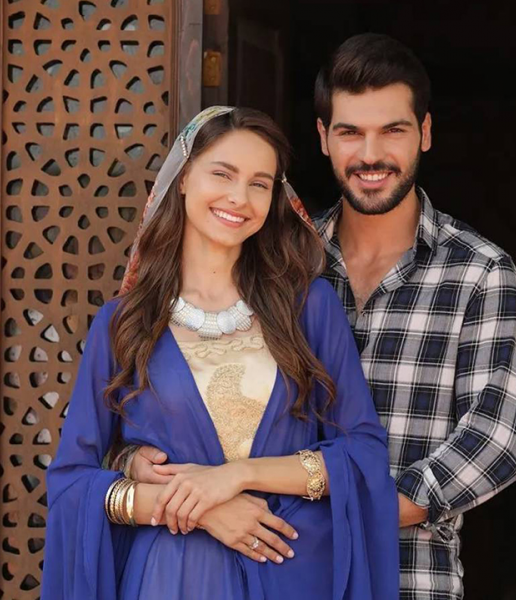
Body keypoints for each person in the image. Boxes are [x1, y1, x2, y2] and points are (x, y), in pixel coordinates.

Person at [124, 35, 516, 600]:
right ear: (323, 137)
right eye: (350, 132)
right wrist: (138, 463)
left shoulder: (479, 271)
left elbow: (495, 441)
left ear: (425, 133)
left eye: (392, 130)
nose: (371, 154)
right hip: (264, 572)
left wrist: (335, 517)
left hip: (409, 574)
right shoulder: (281, 262)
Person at [39, 106, 399, 600]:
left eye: (259, 183)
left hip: (290, 569)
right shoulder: (124, 324)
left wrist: (236, 476)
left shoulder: (309, 308)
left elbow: (363, 455)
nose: (239, 197)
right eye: (223, 174)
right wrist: (202, 509)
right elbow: (71, 483)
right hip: (171, 580)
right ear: (184, 178)